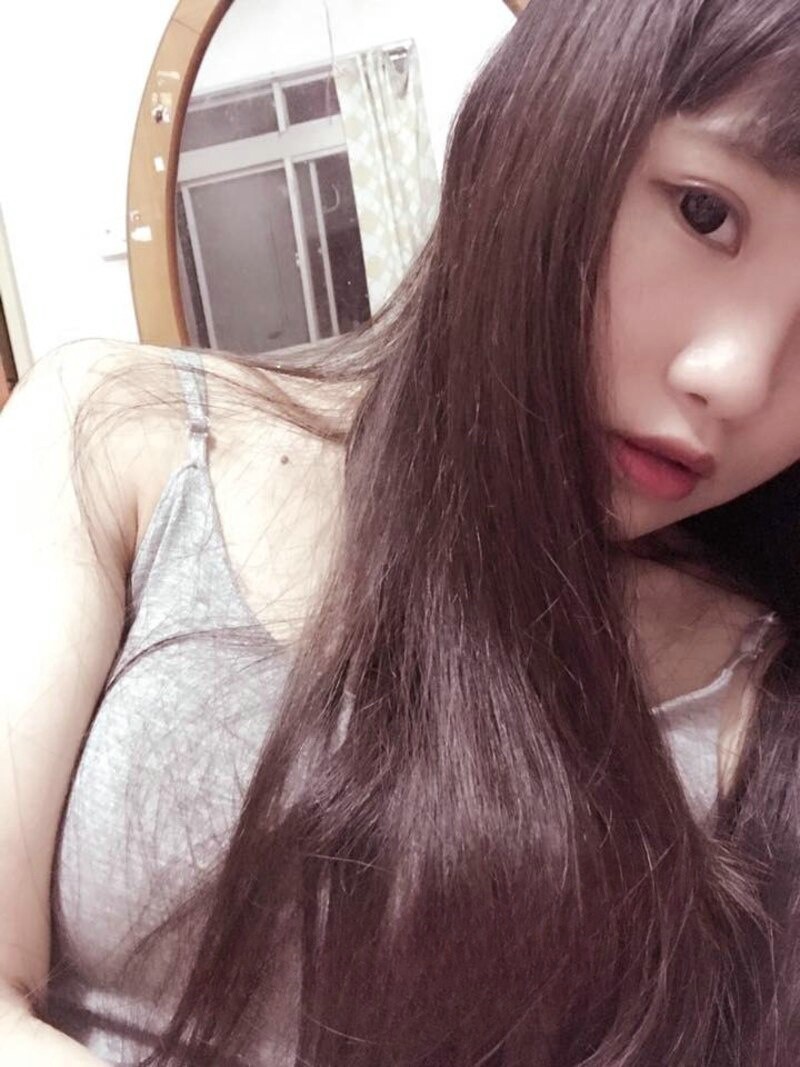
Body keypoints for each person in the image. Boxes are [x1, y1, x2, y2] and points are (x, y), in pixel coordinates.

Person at [2, 0, 800, 1062]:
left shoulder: (763, 679)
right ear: (543, 126)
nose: (735, 379)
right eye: (704, 213)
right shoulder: (124, 436)